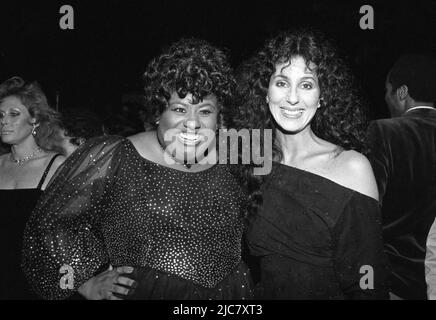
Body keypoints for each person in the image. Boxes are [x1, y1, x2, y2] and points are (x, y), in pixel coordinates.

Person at [22, 38, 253, 300]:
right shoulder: (116, 154)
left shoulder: (238, 152)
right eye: (179, 109)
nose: (192, 123)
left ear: (218, 116)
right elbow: (50, 223)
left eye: (205, 111)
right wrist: (82, 282)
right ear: (158, 113)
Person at [232, 29, 390, 299]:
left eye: (306, 85)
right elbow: (187, 173)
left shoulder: (351, 166)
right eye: (281, 83)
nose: (292, 98)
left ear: (322, 96)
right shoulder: (251, 155)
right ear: (265, 91)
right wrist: (137, 263)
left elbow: (368, 283)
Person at [368, 54, 436, 300]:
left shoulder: (384, 131)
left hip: (397, 280)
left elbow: (369, 211)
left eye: (387, 91)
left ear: (402, 92)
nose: (385, 98)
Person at [0, 76, 66, 299]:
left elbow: (76, 232)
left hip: (38, 283)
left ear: (35, 119)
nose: (4, 121)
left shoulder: (56, 165)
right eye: (0, 115)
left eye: (14, 114)